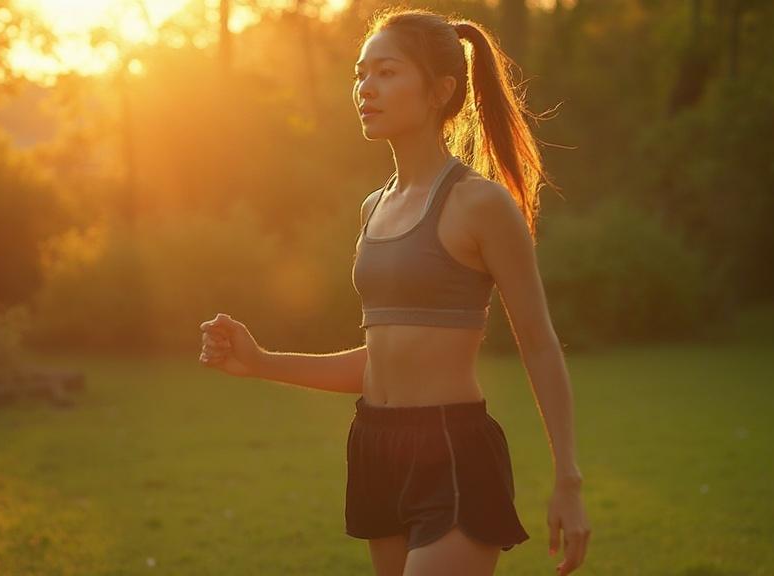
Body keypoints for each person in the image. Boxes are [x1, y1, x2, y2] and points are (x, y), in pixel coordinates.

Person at [199, 6, 589, 576]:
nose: (365, 88)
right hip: (375, 447)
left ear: (439, 91)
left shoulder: (479, 204)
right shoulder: (373, 208)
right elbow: (382, 364)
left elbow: (539, 344)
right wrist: (261, 362)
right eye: (360, 73)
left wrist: (568, 480)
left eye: (386, 72)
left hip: (452, 451)